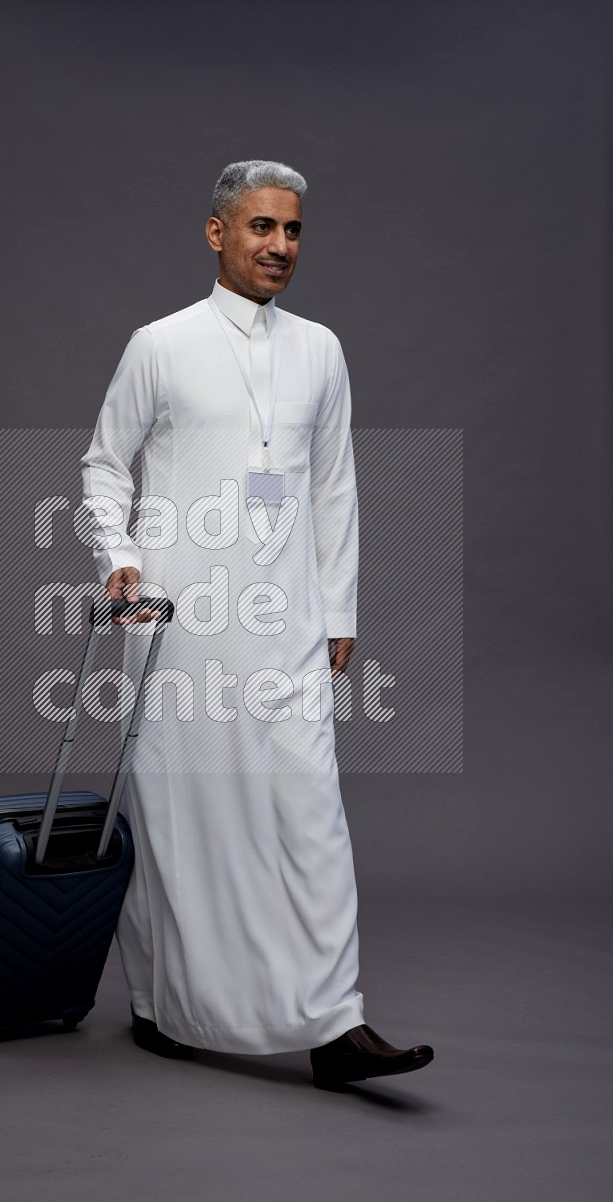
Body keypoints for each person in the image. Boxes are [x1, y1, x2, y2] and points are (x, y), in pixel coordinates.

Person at [79, 160, 433, 1089]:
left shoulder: (321, 348)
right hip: (177, 621)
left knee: (309, 812)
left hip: (287, 623)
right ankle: (162, 1006)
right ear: (216, 234)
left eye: (294, 231)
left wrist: (341, 607)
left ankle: (337, 1024)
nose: (281, 247)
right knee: (179, 819)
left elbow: (333, 488)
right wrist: (116, 557)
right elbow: (103, 466)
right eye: (262, 228)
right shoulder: (160, 344)